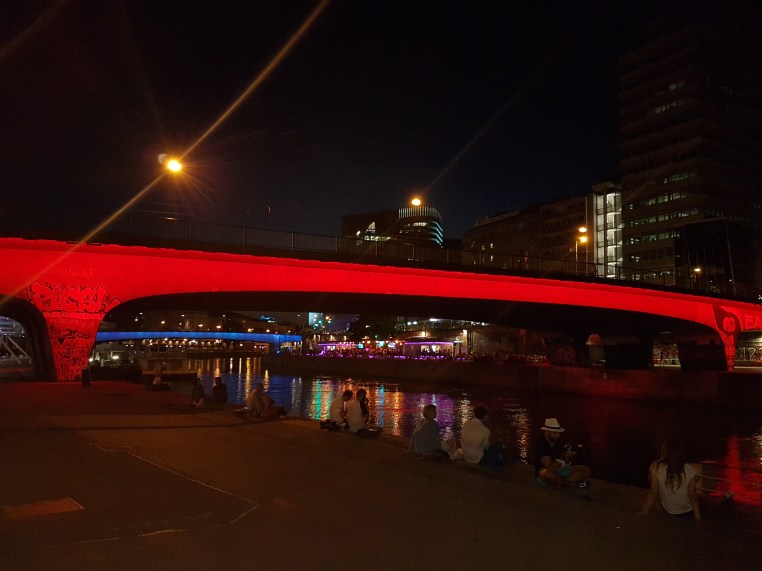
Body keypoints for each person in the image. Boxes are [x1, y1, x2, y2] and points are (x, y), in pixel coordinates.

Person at [639, 440, 701, 521]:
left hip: (667, 509)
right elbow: (692, 495)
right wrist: (698, 518)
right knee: (701, 500)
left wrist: (644, 511)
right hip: (686, 511)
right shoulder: (689, 469)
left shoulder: (656, 467)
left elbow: (653, 491)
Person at [532, 418, 591, 489]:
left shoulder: (559, 440)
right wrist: (562, 458)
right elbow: (550, 468)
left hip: (560, 470)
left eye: (558, 433)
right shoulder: (541, 444)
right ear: (547, 432)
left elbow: (567, 463)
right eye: (555, 433)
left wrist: (568, 456)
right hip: (546, 471)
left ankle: (561, 482)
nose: (558, 435)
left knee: (586, 469)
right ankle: (573, 484)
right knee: (547, 474)